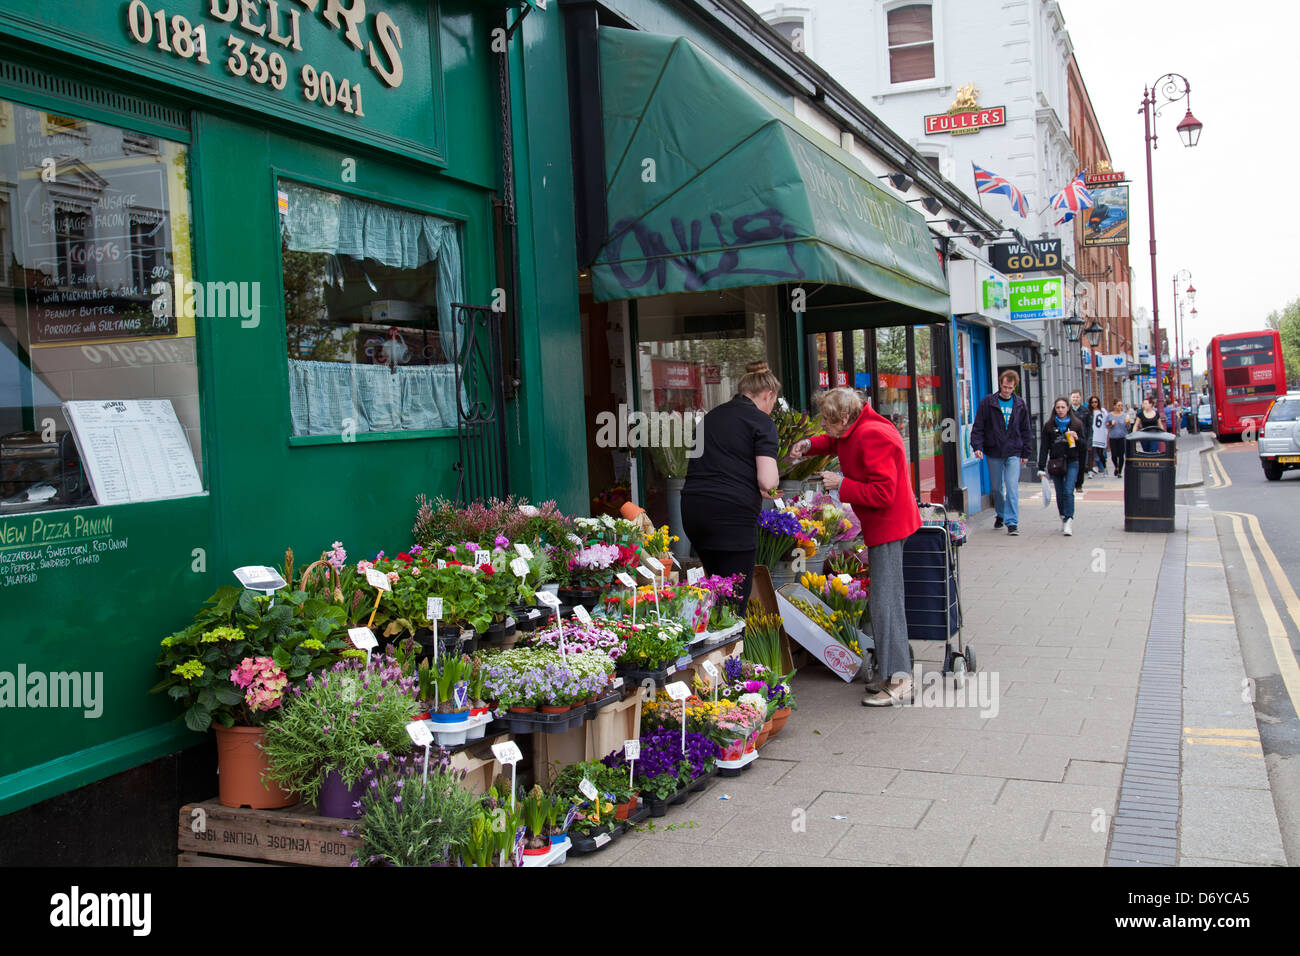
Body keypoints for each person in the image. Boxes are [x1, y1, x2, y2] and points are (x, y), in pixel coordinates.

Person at [792, 387, 921, 707]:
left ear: (845, 417)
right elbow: (835, 440)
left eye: (827, 419)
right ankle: (893, 672)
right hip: (884, 526)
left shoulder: (872, 435)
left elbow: (883, 493)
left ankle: (901, 677)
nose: (823, 425)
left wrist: (842, 484)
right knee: (883, 601)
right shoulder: (857, 426)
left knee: (886, 603)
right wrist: (808, 445)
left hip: (889, 527)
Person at [680, 361, 781, 604]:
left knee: (714, 592)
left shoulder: (710, 417)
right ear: (768, 395)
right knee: (735, 603)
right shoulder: (762, 422)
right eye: (773, 402)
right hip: (731, 517)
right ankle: (734, 641)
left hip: (694, 513)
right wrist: (772, 486)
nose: (772, 408)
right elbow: (768, 480)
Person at [970, 369, 1033, 535]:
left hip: (1013, 451)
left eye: (1010, 388)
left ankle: (1012, 522)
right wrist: (977, 446)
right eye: (1004, 387)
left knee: (1012, 488)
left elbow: (1026, 429)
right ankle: (1000, 513)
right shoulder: (988, 403)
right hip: (994, 451)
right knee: (997, 488)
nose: (1006, 391)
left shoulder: (1019, 405)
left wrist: (1026, 452)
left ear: (1015, 387)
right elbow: (978, 426)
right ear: (1000, 384)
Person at [1037, 397, 1086, 536]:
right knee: (1059, 493)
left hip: (1072, 461)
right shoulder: (1049, 426)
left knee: (1068, 491)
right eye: (1058, 407)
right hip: (1056, 463)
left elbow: (1083, 446)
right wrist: (1041, 467)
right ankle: (1063, 516)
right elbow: (1044, 447)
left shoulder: (1077, 424)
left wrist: (1077, 439)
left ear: (1068, 408)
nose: (1060, 410)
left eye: (1063, 407)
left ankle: (1069, 520)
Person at [1069, 390, 1091, 496]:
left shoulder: (1085, 411)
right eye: (1073, 397)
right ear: (1070, 398)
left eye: (1077, 397)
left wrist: (1088, 441)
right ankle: (1071, 482)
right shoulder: (1067, 410)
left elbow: (1089, 427)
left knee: (1081, 464)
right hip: (1070, 441)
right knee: (1071, 462)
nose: (1075, 399)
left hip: (1082, 440)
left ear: (1080, 398)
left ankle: (1079, 485)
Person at [1086, 396, 1108, 476]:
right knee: (1090, 453)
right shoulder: (1088, 412)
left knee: (1100, 453)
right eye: (1092, 402)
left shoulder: (1103, 411)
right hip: (1091, 435)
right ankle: (1090, 471)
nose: (1094, 404)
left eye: (1095, 402)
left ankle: (1105, 469)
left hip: (1100, 434)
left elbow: (1107, 422)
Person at [1106, 400, 1129, 477]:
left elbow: (1128, 427)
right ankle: (1116, 466)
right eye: (1119, 405)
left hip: (1122, 437)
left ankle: (1119, 471)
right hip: (1113, 437)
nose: (1120, 407)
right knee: (1114, 455)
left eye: (1121, 405)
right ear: (1114, 406)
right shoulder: (1110, 415)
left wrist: (1128, 423)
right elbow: (1106, 425)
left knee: (1121, 455)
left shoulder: (1125, 415)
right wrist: (1111, 425)